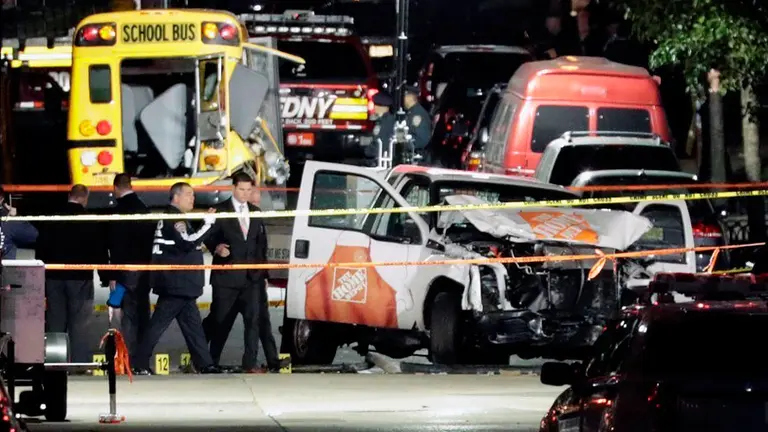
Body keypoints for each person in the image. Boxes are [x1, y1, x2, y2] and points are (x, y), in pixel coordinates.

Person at [133, 182, 222, 375]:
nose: (193, 198)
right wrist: (209, 223)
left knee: (193, 327)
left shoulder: (175, 218)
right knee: (157, 326)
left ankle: (205, 364)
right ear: (176, 197)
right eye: (189, 194)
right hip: (176, 283)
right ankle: (138, 362)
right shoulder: (174, 219)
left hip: (180, 284)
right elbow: (188, 243)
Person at [202, 173, 279, 372]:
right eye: (242, 189)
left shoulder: (255, 212)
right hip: (226, 278)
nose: (245, 194)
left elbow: (262, 246)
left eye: (249, 190)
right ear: (233, 188)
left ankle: (250, 363)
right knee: (219, 320)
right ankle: (208, 360)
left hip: (252, 278)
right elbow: (208, 236)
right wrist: (216, 247)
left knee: (252, 321)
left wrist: (264, 275)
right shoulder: (220, 211)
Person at [37, 185, 109, 365]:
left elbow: (40, 248)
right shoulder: (90, 220)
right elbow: (99, 250)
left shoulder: (52, 218)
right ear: (85, 198)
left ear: (69, 196)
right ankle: (79, 364)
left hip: (53, 277)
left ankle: (54, 361)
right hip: (80, 277)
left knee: (55, 322)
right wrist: (104, 276)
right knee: (79, 324)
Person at [106, 174, 154, 365]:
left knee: (128, 317)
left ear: (115, 187)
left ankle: (129, 360)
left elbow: (117, 246)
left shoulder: (118, 211)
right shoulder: (143, 209)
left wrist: (112, 274)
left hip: (125, 273)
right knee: (142, 315)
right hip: (144, 270)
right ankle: (142, 359)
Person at [0, 186, 38, 259]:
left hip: (5, 268)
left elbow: (33, 235)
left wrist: (16, 216)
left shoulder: (10, 221)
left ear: (1, 199)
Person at [403, 85, 432, 163]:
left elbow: (422, 140)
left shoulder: (418, 115)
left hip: (417, 158)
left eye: (404, 96)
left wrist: (404, 145)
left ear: (410, 97)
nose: (403, 99)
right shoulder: (411, 112)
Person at [370, 91, 396, 165]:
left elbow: (383, 142)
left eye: (376, 105)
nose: (374, 107)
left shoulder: (387, 122)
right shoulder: (380, 120)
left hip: (383, 161)